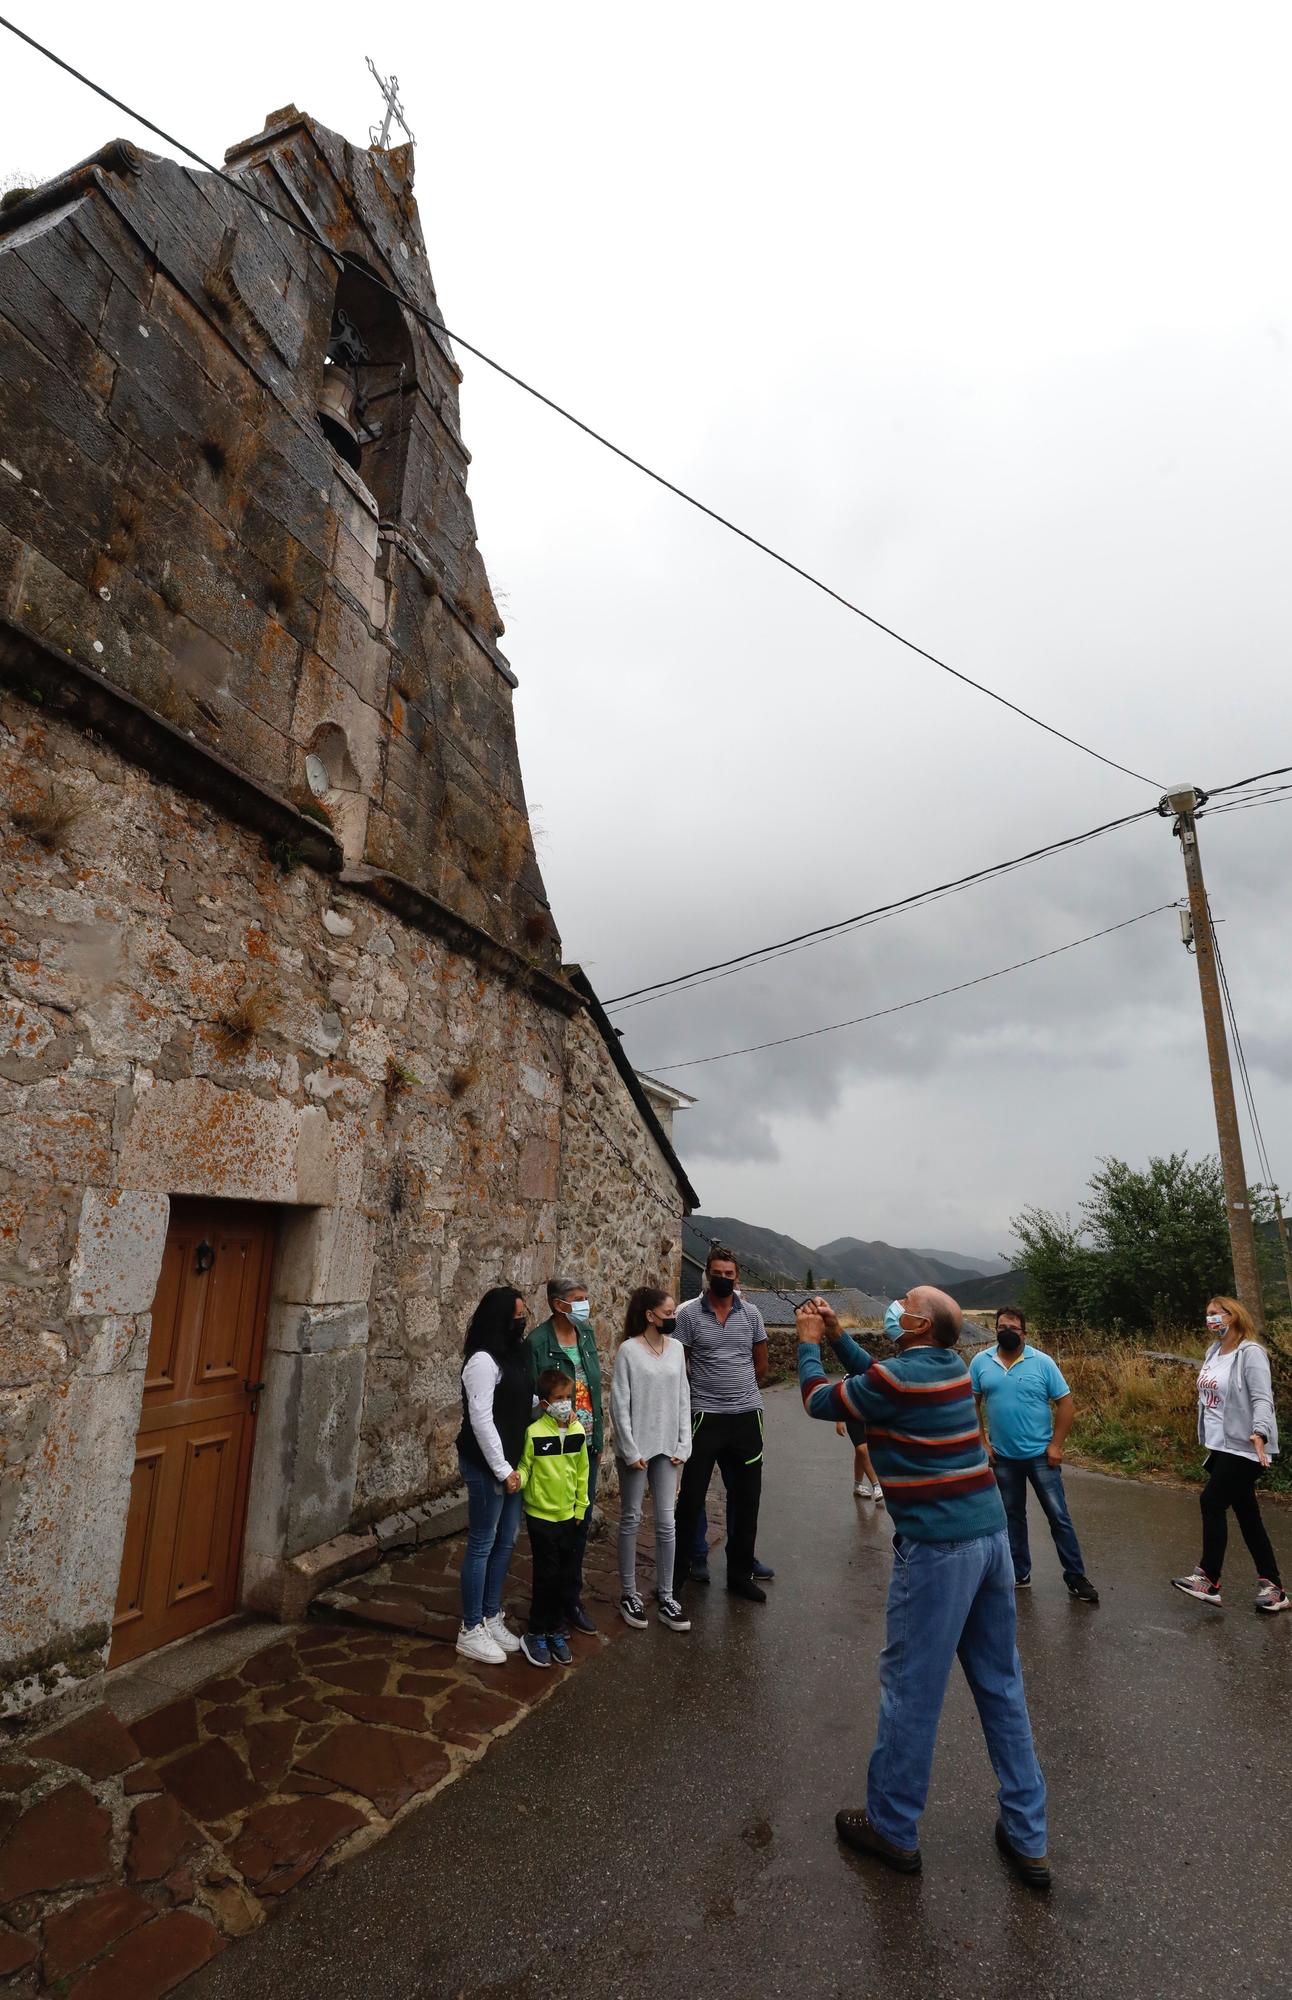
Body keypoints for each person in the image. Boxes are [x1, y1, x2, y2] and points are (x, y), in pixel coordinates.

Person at [798, 1288, 1050, 1887]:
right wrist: (837, 1336)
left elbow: (819, 1399)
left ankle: (891, 1825)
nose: (895, 1304)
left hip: (939, 1550)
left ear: (916, 1324)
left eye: (904, 1301)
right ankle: (1027, 1835)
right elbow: (880, 1377)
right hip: (990, 1541)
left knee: (911, 1690)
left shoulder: (900, 1379)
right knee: (1001, 1685)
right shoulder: (951, 1369)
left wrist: (810, 1346)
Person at [970, 1309, 1099, 1603]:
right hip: (1003, 1458)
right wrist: (983, 1443)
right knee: (1011, 1516)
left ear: (1024, 1333)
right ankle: (1018, 1573)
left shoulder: (1042, 1363)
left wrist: (1056, 1445)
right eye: (1002, 1326)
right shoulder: (981, 1362)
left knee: (1059, 1517)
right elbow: (972, 1404)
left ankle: (1075, 1576)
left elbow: (1066, 1404)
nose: (1007, 1331)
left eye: (1013, 1328)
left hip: (1041, 1456)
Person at [1171, 1295, 1288, 1612]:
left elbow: (1263, 1398)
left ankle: (1208, 1579)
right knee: (1248, 1515)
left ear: (1233, 1316)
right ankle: (1274, 1588)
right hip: (1221, 1446)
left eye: (1215, 1313)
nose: (1210, 1319)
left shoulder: (1250, 1353)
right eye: (1207, 1313)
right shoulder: (1213, 1352)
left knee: (1211, 1501)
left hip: (1247, 1446)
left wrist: (1260, 1430)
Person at [672, 1246, 770, 1603]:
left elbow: (761, 1365)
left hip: (746, 1418)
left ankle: (740, 1576)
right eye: (718, 1273)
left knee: (746, 1500)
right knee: (690, 1499)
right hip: (704, 1417)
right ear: (707, 1275)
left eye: (729, 1274)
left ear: (737, 1277)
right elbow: (679, 1364)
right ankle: (680, 1574)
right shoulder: (689, 1316)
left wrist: (740, 1393)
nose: (724, 1279)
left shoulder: (753, 1315)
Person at [456, 1285, 531, 1666]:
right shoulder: (483, 1361)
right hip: (489, 1467)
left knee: (506, 1540)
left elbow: (517, 1400)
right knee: (483, 1542)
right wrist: (502, 1469)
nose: (522, 1320)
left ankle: (490, 1614)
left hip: (512, 1466)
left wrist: (548, 1405)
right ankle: (470, 1628)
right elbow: (481, 1420)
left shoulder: (512, 1355)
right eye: (517, 1314)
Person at [611, 1287, 691, 1633]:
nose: (672, 1318)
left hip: (668, 1450)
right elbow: (619, 1403)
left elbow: (684, 1399)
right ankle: (629, 1593)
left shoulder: (677, 1350)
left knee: (667, 1523)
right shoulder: (628, 1351)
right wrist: (630, 1449)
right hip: (638, 1452)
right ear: (650, 1315)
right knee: (630, 1518)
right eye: (668, 1313)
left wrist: (683, 1445)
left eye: (674, 1312)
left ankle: (667, 1594)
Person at [528, 1277, 604, 1633]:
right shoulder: (538, 1343)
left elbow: (595, 1390)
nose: (585, 1305)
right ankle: (549, 1607)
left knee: (580, 1524)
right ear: (559, 1305)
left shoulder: (586, 1335)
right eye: (579, 1299)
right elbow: (532, 1400)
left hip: (584, 1446)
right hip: (553, 1452)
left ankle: (570, 1600)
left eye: (586, 1298)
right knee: (551, 1536)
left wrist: (598, 1440)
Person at [516, 1366, 591, 1667]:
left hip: (568, 1516)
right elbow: (525, 1467)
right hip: (540, 1516)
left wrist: (580, 1507)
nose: (565, 1403)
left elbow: (582, 1471)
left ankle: (555, 1629)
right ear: (545, 1403)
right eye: (558, 1398)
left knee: (563, 1575)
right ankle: (535, 1631)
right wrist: (516, 1481)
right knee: (545, 1576)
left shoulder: (576, 1431)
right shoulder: (534, 1433)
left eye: (568, 1397)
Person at [836, 1418, 884, 1502]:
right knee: (862, 1448)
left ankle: (858, 1485)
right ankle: (876, 1486)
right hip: (853, 1416)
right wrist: (839, 1420)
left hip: (870, 1413)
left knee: (860, 1451)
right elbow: (840, 1404)